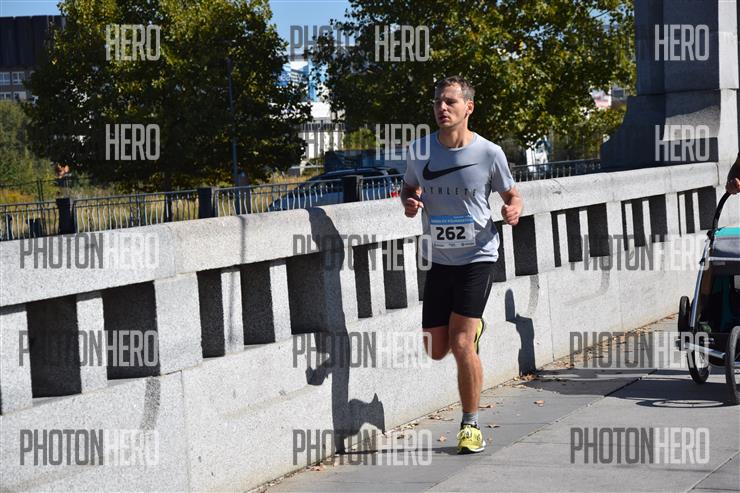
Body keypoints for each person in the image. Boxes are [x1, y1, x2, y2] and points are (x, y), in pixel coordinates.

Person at [400, 76, 523, 454]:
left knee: (460, 342)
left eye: (450, 101)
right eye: (438, 101)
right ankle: (474, 330)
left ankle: (470, 425)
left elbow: (512, 194)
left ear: (468, 107)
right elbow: (409, 187)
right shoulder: (419, 150)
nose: (442, 107)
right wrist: (409, 202)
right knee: (435, 348)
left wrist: (514, 209)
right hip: (439, 258)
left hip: (478, 256)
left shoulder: (489, 153)